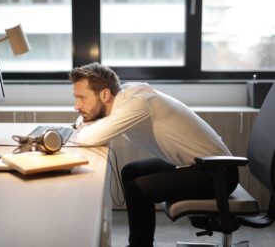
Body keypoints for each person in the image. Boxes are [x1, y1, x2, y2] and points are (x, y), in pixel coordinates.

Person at [69, 62, 239, 247]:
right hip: (197, 164)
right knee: (131, 171)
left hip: (217, 173)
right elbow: (82, 124)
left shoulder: (137, 104)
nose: (76, 106)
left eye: (82, 98)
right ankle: (139, 243)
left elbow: (86, 137)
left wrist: (84, 126)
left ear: (105, 94)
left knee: (137, 188)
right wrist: (84, 123)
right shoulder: (125, 96)